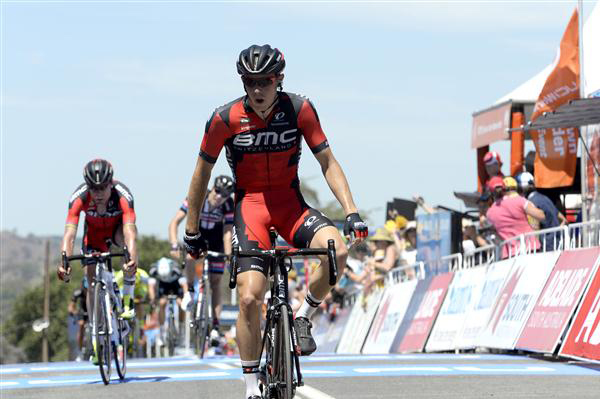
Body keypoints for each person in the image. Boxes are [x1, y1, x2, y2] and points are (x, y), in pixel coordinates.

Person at [181, 44, 368, 399]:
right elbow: (201, 174)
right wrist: (191, 230)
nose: (256, 89)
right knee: (250, 297)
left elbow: (327, 161)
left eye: (264, 81)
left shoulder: (300, 109)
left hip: (290, 204)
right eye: (249, 82)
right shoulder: (224, 119)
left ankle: (302, 317)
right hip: (250, 207)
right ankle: (251, 386)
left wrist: (351, 211)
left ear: (278, 79)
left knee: (337, 251)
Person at [56, 159, 138, 365]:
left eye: (102, 188)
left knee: (127, 248)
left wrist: (133, 256)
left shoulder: (123, 195)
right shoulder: (79, 197)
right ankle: (95, 331)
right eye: (94, 188)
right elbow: (69, 233)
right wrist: (64, 261)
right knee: (91, 282)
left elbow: (130, 231)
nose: (99, 193)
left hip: (116, 231)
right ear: (88, 186)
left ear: (111, 183)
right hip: (92, 237)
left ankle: (127, 299)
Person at [169, 175, 234, 331]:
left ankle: (216, 325)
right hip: (198, 234)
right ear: (213, 188)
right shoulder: (199, 195)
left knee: (216, 282)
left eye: (224, 195)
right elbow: (175, 222)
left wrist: (228, 256)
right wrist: (173, 245)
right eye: (218, 191)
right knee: (191, 257)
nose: (219, 197)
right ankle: (190, 290)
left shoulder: (228, 205)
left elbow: (227, 232)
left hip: (216, 239)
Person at [485, 176, 545, 258]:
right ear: (504, 188)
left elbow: (493, 233)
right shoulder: (519, 200)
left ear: (490, 192)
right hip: (530, 248)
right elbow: (541, 216)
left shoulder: (490, 213)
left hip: (509, 254)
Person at [516, 172, 567, 250]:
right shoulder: (544, 198)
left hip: (546, 247)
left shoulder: (530, 203)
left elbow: (534, 227)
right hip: (558, 243)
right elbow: (564, 220)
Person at [148, 257, 188, 346]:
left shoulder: (176, 269)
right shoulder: (154, 270)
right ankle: (162, 331)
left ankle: (181, 329)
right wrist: (153, 300)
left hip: (175, 283)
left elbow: (184, 285)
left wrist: (185, 298)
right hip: (162, 285)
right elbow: (151, 287)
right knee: (162, 303)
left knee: (181, 304)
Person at [68, 276, 89, 361]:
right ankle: (80, 351)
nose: (87, 291)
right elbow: (71, 306)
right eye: (85, 289)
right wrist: (73, 312)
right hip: (83, 312)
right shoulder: (78, 293)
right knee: (81, 325)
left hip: (94, 311)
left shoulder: (95, 291)